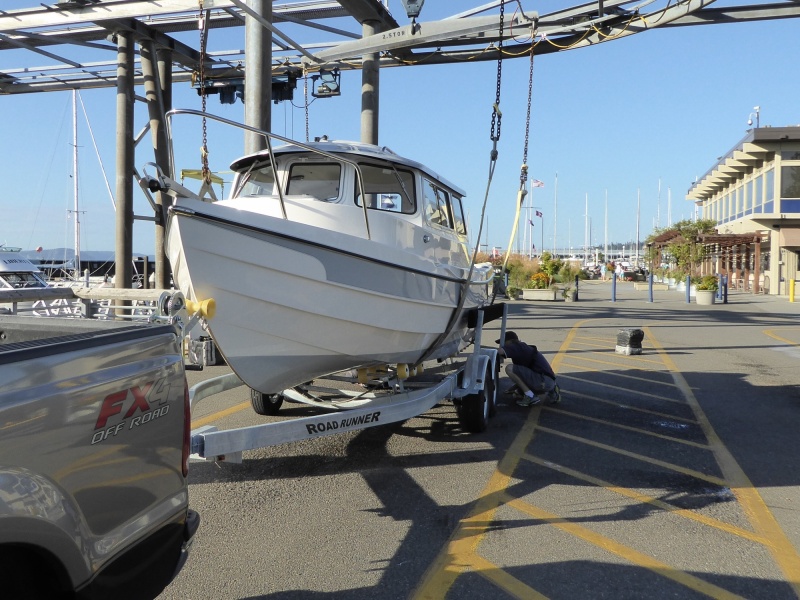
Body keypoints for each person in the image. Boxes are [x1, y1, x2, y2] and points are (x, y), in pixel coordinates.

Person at [496, 330, 560, 407]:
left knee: (509, 368)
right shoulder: (522, 348)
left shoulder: (517, 346)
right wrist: (513, 388)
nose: (502, 345)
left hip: (542, 380)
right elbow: (522, 374)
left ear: (510, 341)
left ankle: (530, 396)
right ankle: (552, 390)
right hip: (547, 380)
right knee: (518, 392)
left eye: (503, 342)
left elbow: (499, 351)